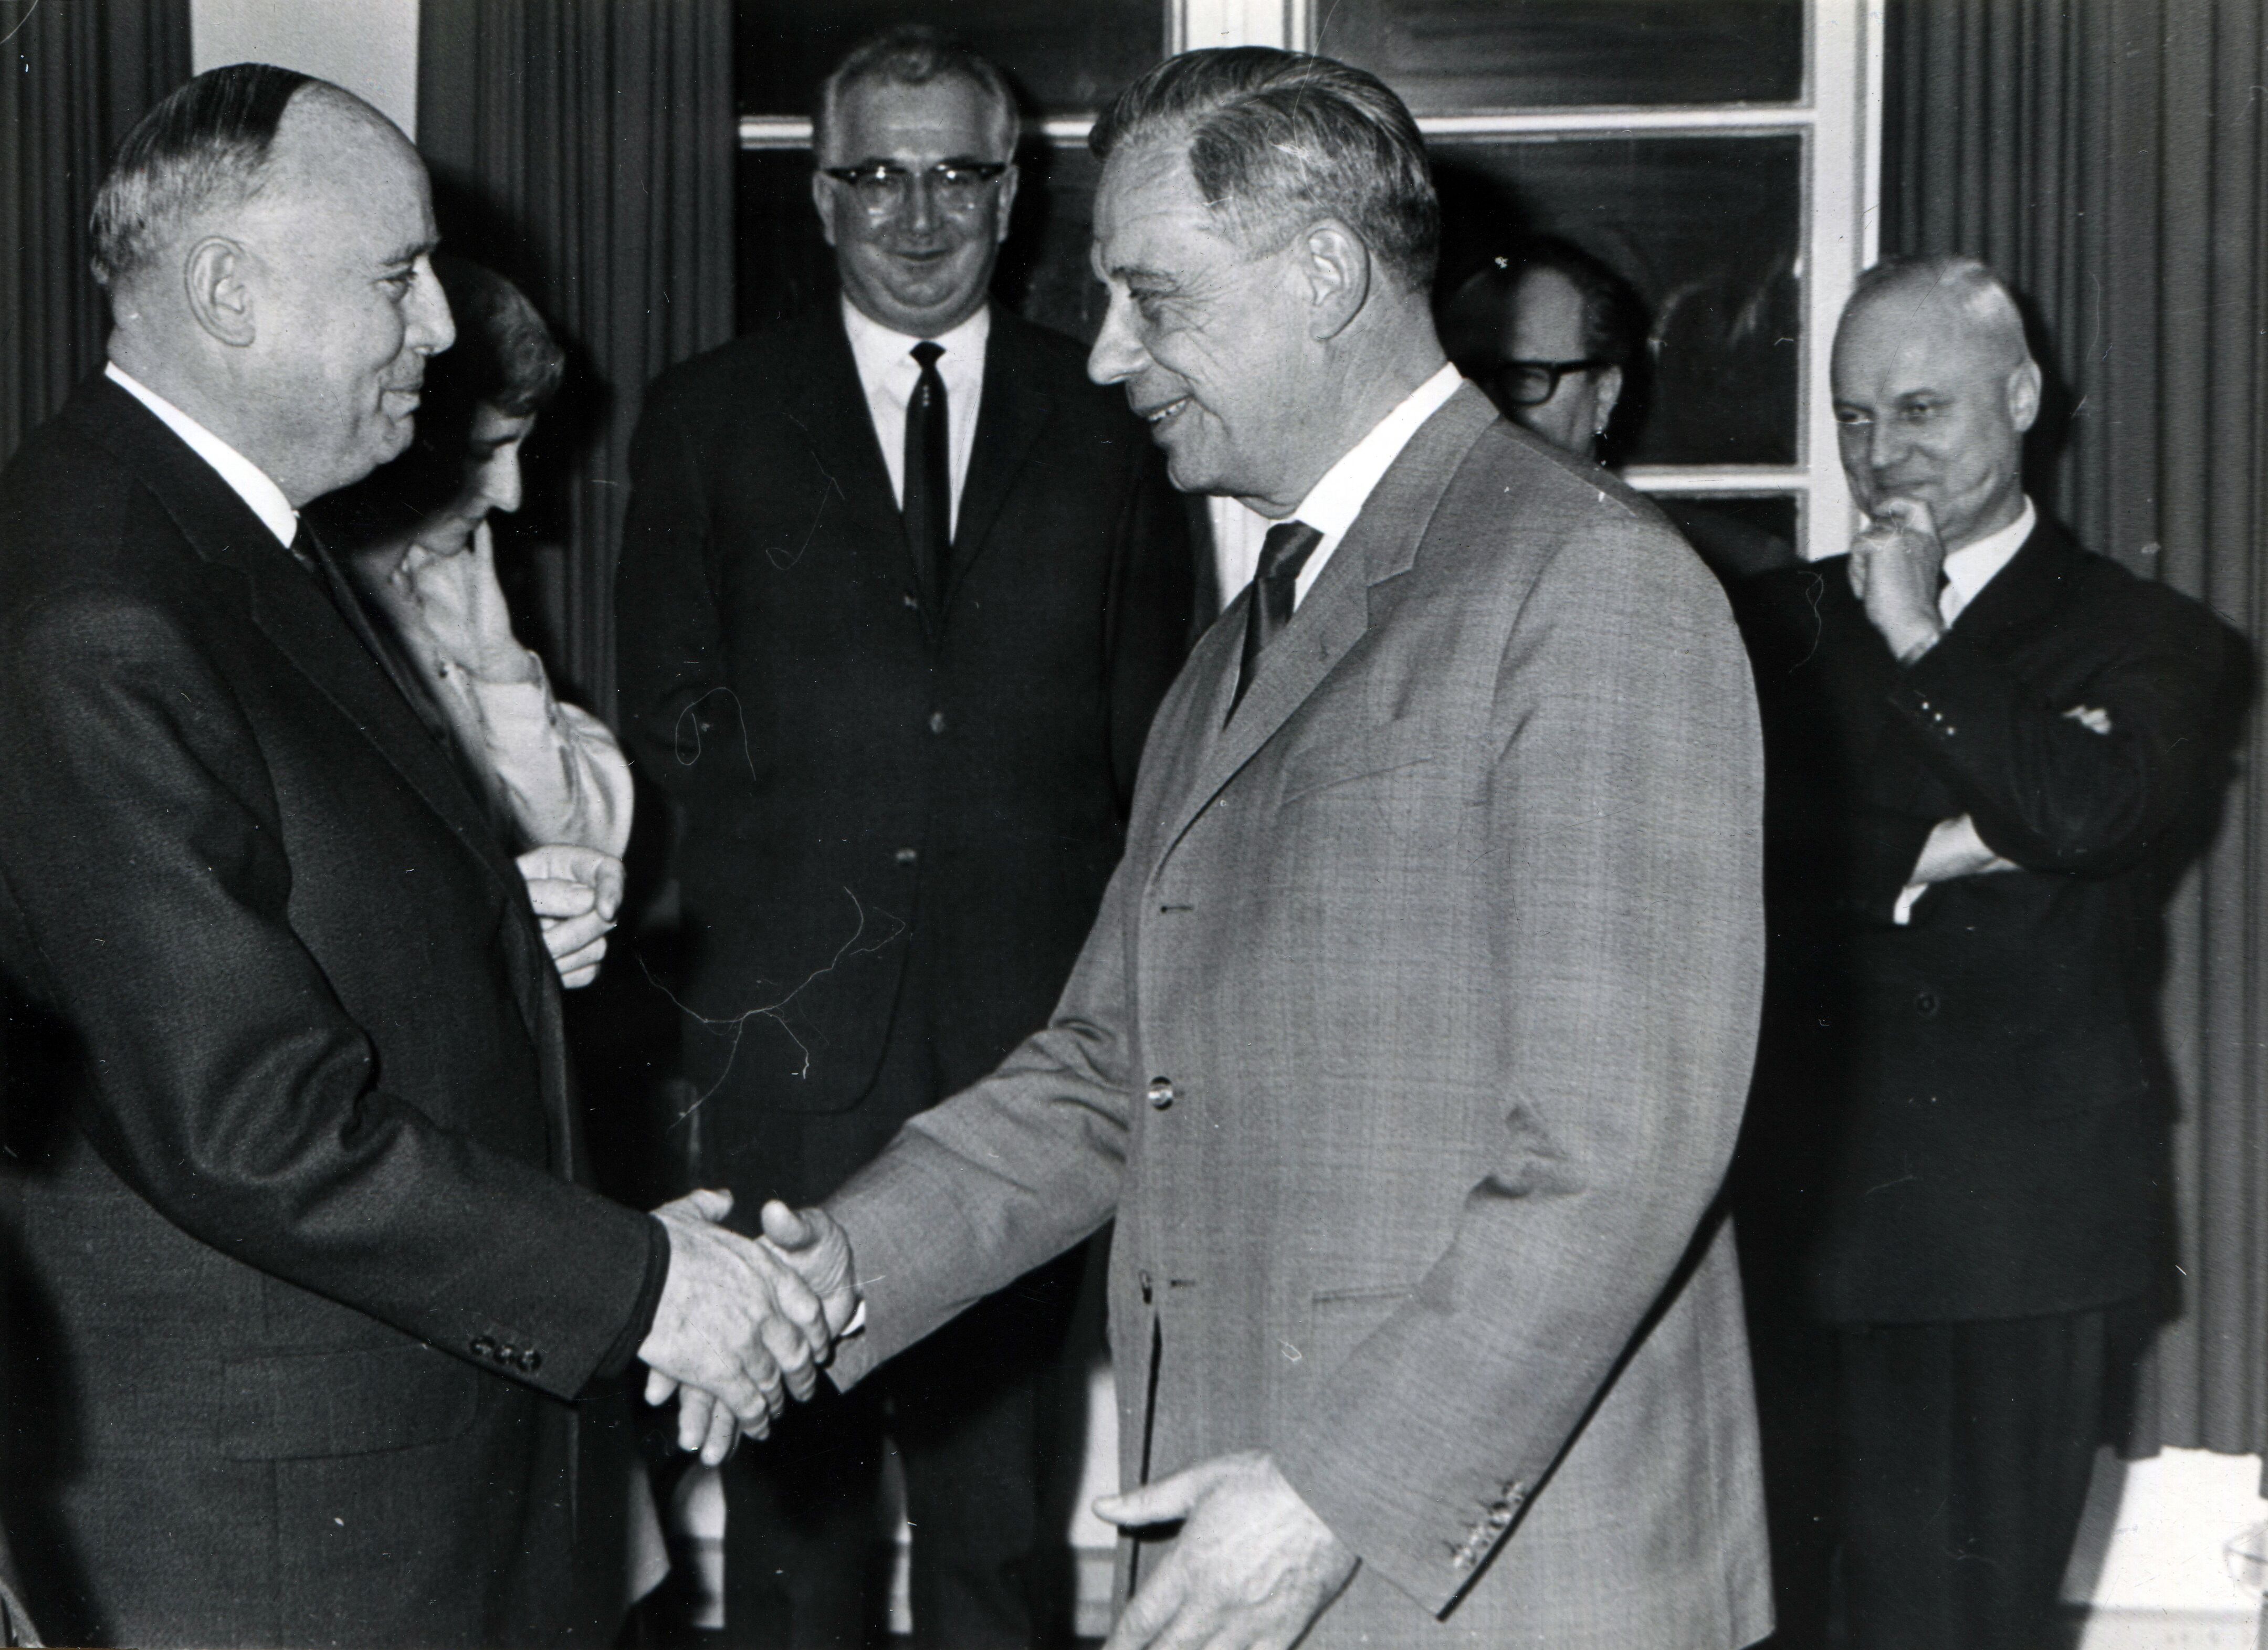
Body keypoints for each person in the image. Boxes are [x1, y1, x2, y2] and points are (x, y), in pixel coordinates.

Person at [752, 46, 1772, 1650]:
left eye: (1152, 300)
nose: (1109, 356)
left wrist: (1329, 1498)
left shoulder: (1586, 584)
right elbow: (1111, 1068)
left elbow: (1617, 1155)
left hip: (1485, 1575)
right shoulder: (1244, 640)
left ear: (1325, 276)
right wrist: (836, 1271)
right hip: (1262, 1525)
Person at [0, 64, 837, 1648]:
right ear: (229, 292)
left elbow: (248, 907)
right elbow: (248, 1124)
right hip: (272, 1545)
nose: (444, 328)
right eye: (398, 278)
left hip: (387, 1485)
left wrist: (477, 917)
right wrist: (646, 1286)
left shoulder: (227, 533)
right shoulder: (98, 607)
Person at [614, 25, 1192, 1648]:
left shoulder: (1112, 417)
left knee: (1001, 1529)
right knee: (794, 1534)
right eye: (878, 174)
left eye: (957, 175)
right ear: (821, 196)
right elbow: (669, 728)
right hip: (789, 1055)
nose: (919, 215)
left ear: (1014, 196)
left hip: (1026, 1061)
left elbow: (1157, 752)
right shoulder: (712, 417)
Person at [1731, 256, 2244, 1649]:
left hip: (2011, 1233)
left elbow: (2086, 812)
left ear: (2019, 397)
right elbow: (1734, 858)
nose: (1878, 454)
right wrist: (1943, 842)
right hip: (1790, 1210)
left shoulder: (2153, 637)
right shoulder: (1774, 627)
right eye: (1853, 417)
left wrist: (1916, 630)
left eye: (1920, 409)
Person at [314, 256, 632, 989]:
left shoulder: (451, 580)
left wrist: (501, 668)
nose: (512, 495)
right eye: (486, 452)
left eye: (520, 449)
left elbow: (581, 851)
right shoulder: (310, 595)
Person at [1439, 236, 1794, 583]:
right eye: (1467, 377)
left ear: (1604, 395)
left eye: (1525, 378)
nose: (1486, 407)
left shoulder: (1711, 568)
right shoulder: (1425, 554)